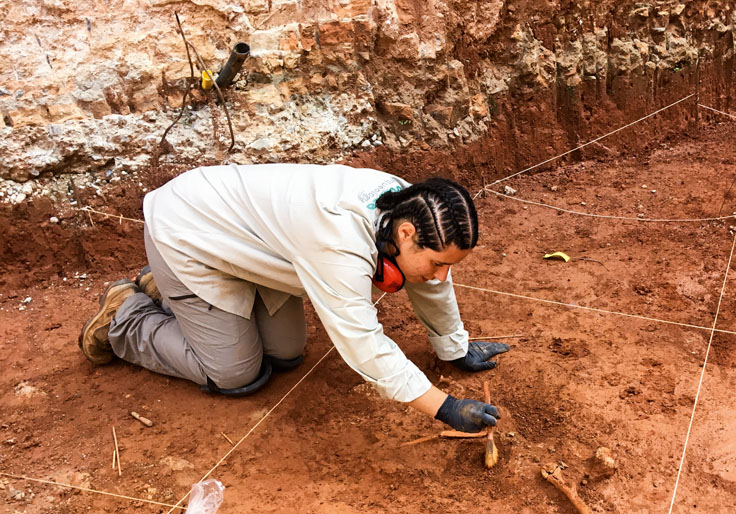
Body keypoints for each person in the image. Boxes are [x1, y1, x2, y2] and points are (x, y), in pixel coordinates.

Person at [78, 164, 509, 433]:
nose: (441, 275)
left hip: (247, 246)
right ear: (407, 234)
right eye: (437, 263)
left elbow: (431, 282)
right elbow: (364, 344)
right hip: (188, 233)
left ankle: (168, 292)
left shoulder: (413, 206)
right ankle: (127, 315)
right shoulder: (338, 241)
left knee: (285, 354)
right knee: (236, 374)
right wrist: (445, 408)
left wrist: (454, 348)